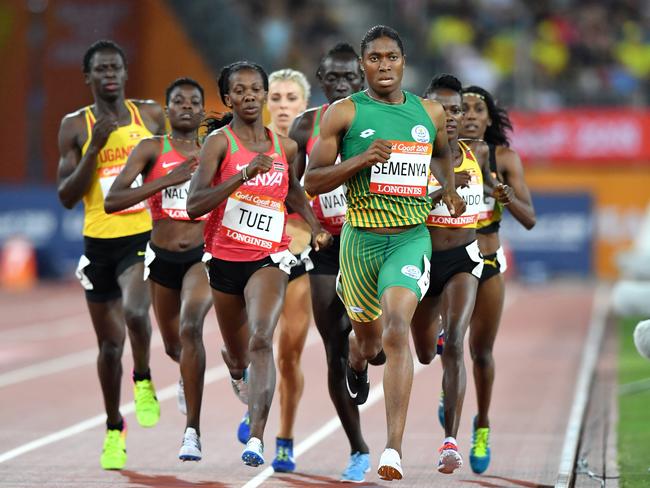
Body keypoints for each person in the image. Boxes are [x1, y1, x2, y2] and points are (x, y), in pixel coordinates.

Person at [304, 25, 465, 481]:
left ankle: (393, 448)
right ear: (363, 65)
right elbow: (311, 182)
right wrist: (360, 160)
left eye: (391, 57)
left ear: (404, 62)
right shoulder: (344, 113)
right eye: (374, 58)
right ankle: (356, 362)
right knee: (370, 345)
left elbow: (440, 152)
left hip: (410, 237)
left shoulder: (428, 111)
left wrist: (448, 187)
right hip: (360, 242)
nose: (383, 65)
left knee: (397, 330)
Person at [186, 61, 330, 468]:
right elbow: (196, 204)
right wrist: (241, 176)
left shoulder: (285, 148)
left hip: (269, 257)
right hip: (224, 257)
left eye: (256, 89)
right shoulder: (219, 143)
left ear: (264, 95)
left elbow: (295, 195)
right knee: (238, 355)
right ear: (228, 98)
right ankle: (237, 374)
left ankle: (257, 436)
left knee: (263, 338)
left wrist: (316, 226)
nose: (250, 96)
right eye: (240, 90)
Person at [56, 39, 165, 470]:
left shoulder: (149, 115)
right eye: (100, 69)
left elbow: (174, 155)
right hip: (97, 242)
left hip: (140, 234)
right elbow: (66, 195)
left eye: (115, 67)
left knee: (137, 312)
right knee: (107, 348)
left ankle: (142, 378)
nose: (109, 75)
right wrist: (96, 148)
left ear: (124, 72)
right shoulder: (75, 126)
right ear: (88, 78)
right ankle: (113, 429)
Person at [104, 78, 213, 462]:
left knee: (191, 325)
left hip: (202, 255)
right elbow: (113, 200)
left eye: (194, 101)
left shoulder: (212, 150)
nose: (186, 106)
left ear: (202, 111)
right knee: (172, 345)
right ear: (167, 111)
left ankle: (192, 432)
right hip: (162, 256)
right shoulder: (151, 149)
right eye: (178, 101)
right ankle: (183, 372)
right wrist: (164, 181)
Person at [288, 43, 371, 482]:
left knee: (370, 348)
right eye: (333, 77)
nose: (341, 84)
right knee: (334, 349)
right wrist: (310, 222)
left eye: (349, 78)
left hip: (371, 242)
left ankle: (365, 362)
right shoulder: (305, 126)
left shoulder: (377, 119)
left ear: (362, 79)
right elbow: (294, 185)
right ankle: (358, 449)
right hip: (325, 248)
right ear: (320, 79)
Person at [235, 68, 320, 474]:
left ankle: (283, 438)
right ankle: (254, 400)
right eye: (277, 98)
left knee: (288, 354)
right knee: (253, 344)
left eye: (292, 99)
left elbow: (311, 202)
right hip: (250, 260)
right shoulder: (249, 145)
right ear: (265, 103)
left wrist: (306, 233)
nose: (283, 106)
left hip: (297, 260)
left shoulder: (316, 146)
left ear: (304, 105)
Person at [412, 74, 496, 473]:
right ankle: (439, 340)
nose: (451, 116)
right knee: (426, 353)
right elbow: (399, 207)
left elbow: (482, 201)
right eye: (442, 108)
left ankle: (450, 442)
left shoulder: (476, 154)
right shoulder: (411, 155)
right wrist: (442, 190)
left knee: (458, 343)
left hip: (463, 258)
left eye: (456, 109)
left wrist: (486, 195)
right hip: (422, 258)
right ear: (425, 109)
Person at [458, 85, 536, 473]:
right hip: (449, 260)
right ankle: (449, 391)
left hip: (487, 261)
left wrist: (498, 192)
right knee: (445, 346)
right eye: (462, 108)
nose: (470, 115)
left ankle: (482, 425)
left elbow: (529, 218)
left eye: (478, 109)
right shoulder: (440, 154)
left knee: (481, 352)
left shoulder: (504, 157)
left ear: (489, 118)